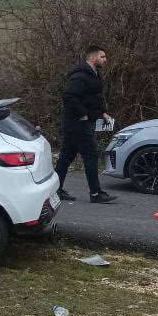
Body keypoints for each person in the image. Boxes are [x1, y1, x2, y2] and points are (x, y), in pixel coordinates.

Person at [55, 45, 117, 203]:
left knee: (65, 157)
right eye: (102, 57)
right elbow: (69, 96)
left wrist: (102, 113)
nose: (105, 60)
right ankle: (96, 194)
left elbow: (93, 98)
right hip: (76, 123)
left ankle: (55, 191)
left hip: (81, 122)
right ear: (92, 58)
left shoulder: (95, 74)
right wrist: (82, 114)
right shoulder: (80, 76)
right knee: (91, 155)